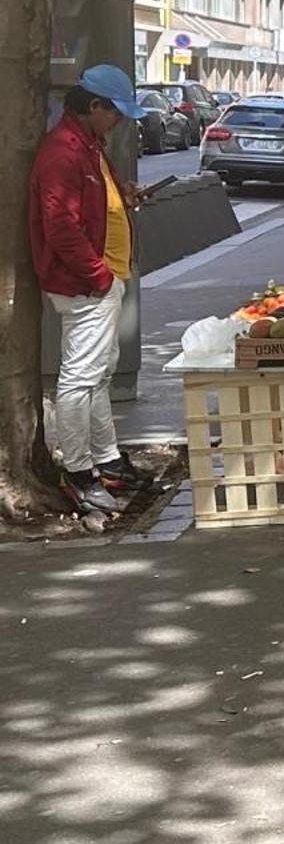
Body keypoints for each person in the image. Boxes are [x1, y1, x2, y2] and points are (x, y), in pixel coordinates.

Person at [30, 65, 152, 514]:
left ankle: (107, 460)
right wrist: (98, 276)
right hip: (87, 284)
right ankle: (80, 473)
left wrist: (125, 194)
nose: (118, 120)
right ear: (94, 106)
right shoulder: (63, 151)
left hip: (99, 280)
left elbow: (92, 203)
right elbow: (59, 223)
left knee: (97, 374)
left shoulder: (85, 145)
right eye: (114, 111)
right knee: (81, 377)